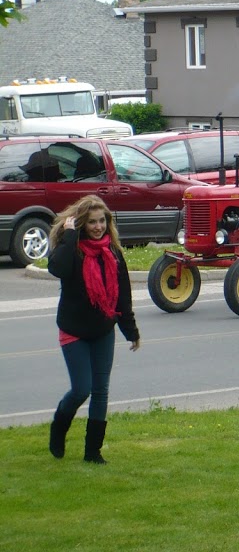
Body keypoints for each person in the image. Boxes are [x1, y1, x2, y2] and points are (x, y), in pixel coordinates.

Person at [46, 195, 141, 464]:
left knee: (101, 390)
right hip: (74, 330)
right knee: (81, 389)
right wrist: (68, 235)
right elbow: (58, 268)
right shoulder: (71, 250)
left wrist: (130, 330)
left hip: (102, 330)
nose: (98, 227)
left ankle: (92, 452)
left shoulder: (113, 253)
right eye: (92, 222)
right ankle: (59, 429)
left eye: (102, 221)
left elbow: (123, 296)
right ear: (81, 224)